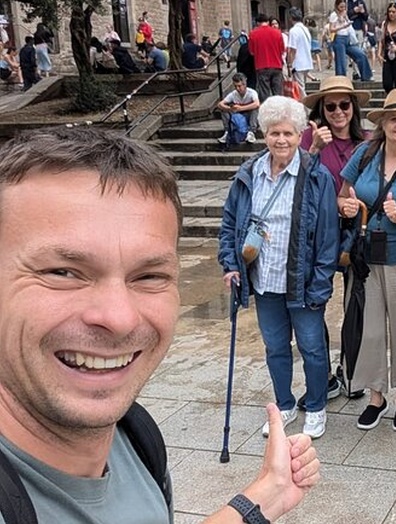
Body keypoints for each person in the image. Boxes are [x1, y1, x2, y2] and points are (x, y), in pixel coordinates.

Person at [0, 126, 321, 523]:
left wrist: (263, 501)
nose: (119, 318)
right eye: (63, 272)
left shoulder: (135, 437)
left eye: (149, 276)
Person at [219, 96, 340, 441]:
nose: (281, 140)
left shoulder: (317, 176)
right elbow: (230, 223)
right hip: (263, 280)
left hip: (302, 283)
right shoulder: (249, 174)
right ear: (264, 134)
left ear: (301, 134)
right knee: (275, 347)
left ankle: (316, 406)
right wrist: (230, 263)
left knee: (312, 347)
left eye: (288, 132)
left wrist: (320, 285)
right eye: (274, 133)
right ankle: (285, 404)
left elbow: (328, 238)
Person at [336, 89, 396, 433]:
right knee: (370, 330)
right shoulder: (365, 152)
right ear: (384, 123)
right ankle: (376, 396)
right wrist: (345, 206)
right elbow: (343, 194)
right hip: (365, 259)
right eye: (395, 118)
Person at [298, 76, 371, 407]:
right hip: (318, 237)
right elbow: (294, 184)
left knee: (356, 306)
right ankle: (323, 374)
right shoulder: (307, 141)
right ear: (321, 110)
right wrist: (314, 149)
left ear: (353, 107)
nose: (339, 111)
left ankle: (351, 370)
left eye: (345, 104)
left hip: (357, 234)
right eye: (331, 106)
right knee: (315, 305)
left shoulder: (368, 141)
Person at [329, 0, 374, 81]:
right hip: (339, 38)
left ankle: (366, 76)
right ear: (337, 6)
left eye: (344, 7)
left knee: (361, 54)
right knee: (341, 62)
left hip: (348, 38)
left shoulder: (345, 13)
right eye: (341, 7)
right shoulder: (333, 15)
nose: (343, 9)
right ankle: (341, 81)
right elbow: (331, 29)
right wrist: (343, 26)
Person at [249, 13, 286, 101]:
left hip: (262, 66)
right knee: (278, 93)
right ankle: (279, 112)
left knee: (264, 93)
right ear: (267, 21)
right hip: (277, 66)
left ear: (257, 23)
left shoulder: (253, 34)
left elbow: (252, 52)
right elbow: (282, 50)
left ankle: (267, 112)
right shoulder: (277, 32)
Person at [217, 73, 260, 144]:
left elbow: (257, 104)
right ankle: (227, 131)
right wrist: (230, 109)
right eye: (235, 86)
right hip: (238, 117)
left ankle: (251, 132)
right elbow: (220, 104)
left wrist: (241, 108)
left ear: (244, 84)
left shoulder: (252, 92)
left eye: (239, 86)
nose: (237, 88)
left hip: (250, 117)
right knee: (223, 109)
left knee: (255, 108)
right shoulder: (233, 94)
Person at [287, 8, 314, 99]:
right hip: (306, 61)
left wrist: (290, 64)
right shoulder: (305, 29)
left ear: (291, 18)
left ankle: (307, 108)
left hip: (298, 63)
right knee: (301, 86)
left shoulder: (293, 31)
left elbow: (292, 50)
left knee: (300, 88)